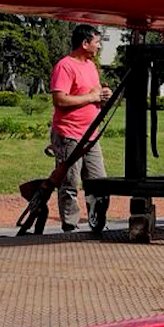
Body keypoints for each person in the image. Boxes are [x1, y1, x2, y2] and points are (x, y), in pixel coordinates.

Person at [49, 25, 113, 230]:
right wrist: (92, 97)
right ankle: (70, 226)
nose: (99, 46)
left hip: (90, 135)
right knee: (69, 183)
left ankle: (97, 221)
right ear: (85, 43)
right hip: (69, 134)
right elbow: (60, 100)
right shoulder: (65, 66)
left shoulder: (90, 66)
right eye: (97, 42)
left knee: (99, 181)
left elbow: (93, 94)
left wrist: (102, 96)